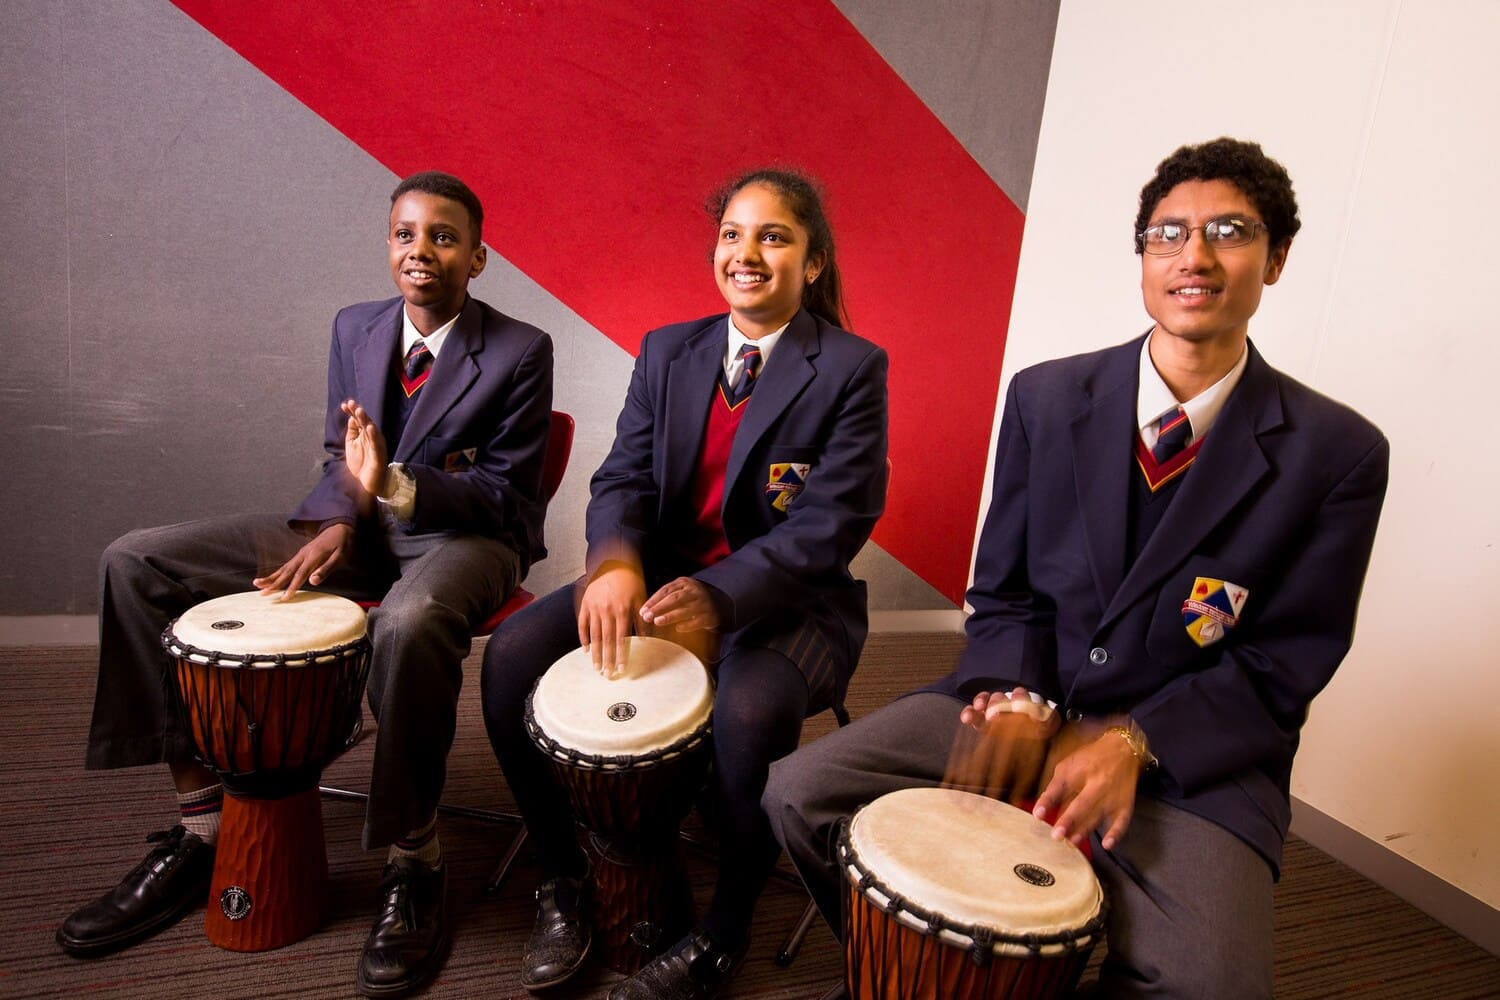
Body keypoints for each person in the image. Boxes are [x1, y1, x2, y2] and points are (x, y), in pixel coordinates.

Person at [763, 138, 1389, 998]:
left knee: (1212, 986)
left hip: (1189, 756)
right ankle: (926, 975)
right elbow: (1006, 592)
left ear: (1276, 258)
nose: (1194, 256)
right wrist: (1020, 698)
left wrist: (1140, 740)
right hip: (1023, 700)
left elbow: (1283, 661)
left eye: (1230, 232)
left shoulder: (1340, 454)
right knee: (800, 794)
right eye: (1168, 234)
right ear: (1142, 258)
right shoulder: (1045, 397)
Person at [57, 171, 554, 998]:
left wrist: (394, 487)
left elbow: (508, 492)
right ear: (387, 244)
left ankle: (414, 859)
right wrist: (337, 520)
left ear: (478, 256)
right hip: (356, 528)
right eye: (404, 233)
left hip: (466, 537)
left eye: (442, 236)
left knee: (410, 619)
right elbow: (340, 455)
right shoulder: (355, 327)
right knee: (135, 560)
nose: (420, 250)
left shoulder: (519, 348)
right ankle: (200, 826)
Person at [481, 167, 888, 998]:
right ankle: (561, 877)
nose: (747, 253)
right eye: (733, 234)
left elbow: (830, 526)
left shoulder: (851, 367)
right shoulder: (670, 350)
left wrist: (720, 599)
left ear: (812, 263)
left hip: (790, 603)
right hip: (661, 580)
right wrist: (618, 562)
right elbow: (623, 476)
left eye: (774, 237)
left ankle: (723, 929)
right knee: (511, 657)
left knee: (750, 714)